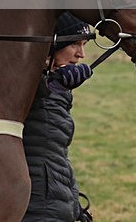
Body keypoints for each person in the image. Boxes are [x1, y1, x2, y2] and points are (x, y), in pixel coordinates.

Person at [22, 12, 95, 222]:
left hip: (58, 201)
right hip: (38, 208)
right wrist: (50, 86)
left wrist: (74, 207)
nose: (81, 54)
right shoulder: (25, 84)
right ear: (51, 45)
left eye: (84, 45)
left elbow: (55, 158)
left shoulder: (52, 84)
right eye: (74, 44)